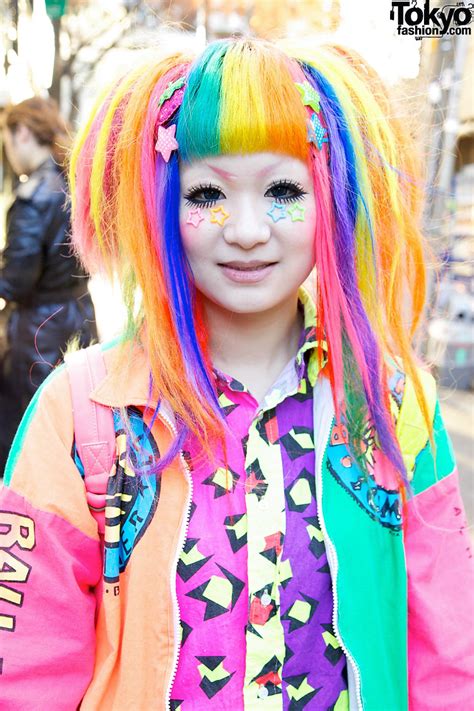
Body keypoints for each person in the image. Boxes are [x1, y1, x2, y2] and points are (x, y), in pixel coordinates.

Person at [0, 38, 473, 711]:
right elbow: (24, 667)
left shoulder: (399, 408)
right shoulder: (82, 416)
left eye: (282, 189)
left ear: (331, 199)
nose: (247, 229)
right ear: (163, 201)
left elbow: (451, 657)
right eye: (208, 193)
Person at [0, 97, 97, 474]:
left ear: (22, 133)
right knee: (77, 429)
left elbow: (16, 280)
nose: (8, 153)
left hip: (35, 335)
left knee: (26, 436)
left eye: (7, 141)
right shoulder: (72, 186)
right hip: (80, 319)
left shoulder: (32, 198)